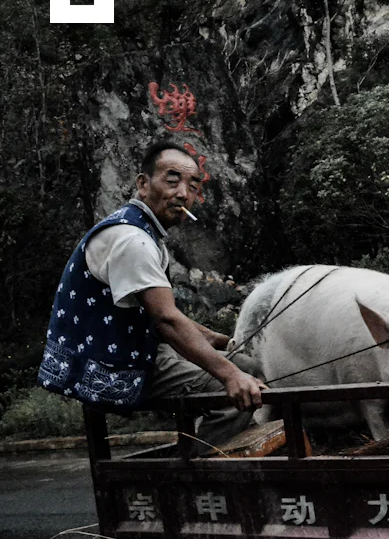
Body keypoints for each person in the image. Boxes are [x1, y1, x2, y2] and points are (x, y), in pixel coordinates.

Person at [38, 141, 265, 445]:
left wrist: (226, 341)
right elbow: (166, 320)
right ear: (143, 185)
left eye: (193, 186)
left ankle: (201, 448)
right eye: (172, 180)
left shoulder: (142, 231)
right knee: (230, 390)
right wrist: (228, 375)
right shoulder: (134, 240)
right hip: (113, 364)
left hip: (134, 349)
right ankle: (196, 477)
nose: (183, 193)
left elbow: (160, 315)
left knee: (246, 365)